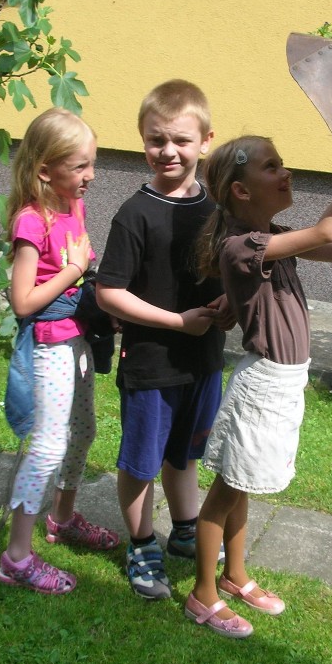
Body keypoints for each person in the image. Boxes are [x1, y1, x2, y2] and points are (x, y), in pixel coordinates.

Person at [187, 135, 332, 637]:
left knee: (243, 485)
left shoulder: (269, 236)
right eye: (272, 167)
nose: (286, 173)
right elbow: (328, 230)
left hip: (286, 383)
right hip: (263, 386)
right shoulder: (243, 246)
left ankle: (235, 575)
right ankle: (202, 594)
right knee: (226, 493)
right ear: (241, 190)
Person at [96, 80, 231, 600]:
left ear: (206, 141)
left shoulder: (217, 207)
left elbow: (227, 271)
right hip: (152, 363)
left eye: (180, 140)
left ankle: (185, 529)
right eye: (156, 140)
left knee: (186, 454)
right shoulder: (135, 213)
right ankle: (140, 543)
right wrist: (177, 322)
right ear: (142, 139)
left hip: (204, 360)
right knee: (141, 461)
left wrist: (229, 305)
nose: (168, 151)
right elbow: (109, 292)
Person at [0, 107, 120, 595]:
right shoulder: (32, 222)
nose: (91, 175)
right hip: (49, 346)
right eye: (80, 165)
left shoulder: (73, 206)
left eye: (92, 163)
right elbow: (23, 301)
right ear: (45, 169)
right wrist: (73, 270)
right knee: (48, 447)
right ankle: (16, 558)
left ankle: (62, 519)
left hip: (78, 338)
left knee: (84, 432)